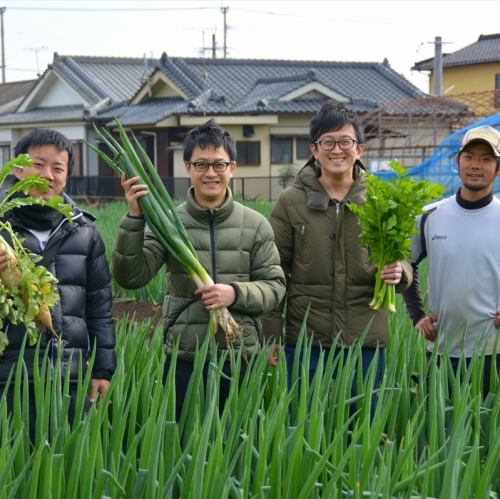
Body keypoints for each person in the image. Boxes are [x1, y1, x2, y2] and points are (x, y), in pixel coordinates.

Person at [112, 119, 286, 419]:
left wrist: (234, 293)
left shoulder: (256, 224)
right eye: (201, 164)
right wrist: (134, 219)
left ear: (232, 167)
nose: (210, 173)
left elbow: (275, 287)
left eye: (219, 165)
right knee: (182, 444)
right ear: (187, 167)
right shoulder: (165, 221)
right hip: (184, 355)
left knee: (237, 446)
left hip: (240, 354)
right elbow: (131, 277)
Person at [265, 102, 412, 401]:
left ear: (359, 149)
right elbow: (273, 271)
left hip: (366, 335)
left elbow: (403, 257)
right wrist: (271, 334)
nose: (336, 150)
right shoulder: (290, 202)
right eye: (328, 142)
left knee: (364, 430)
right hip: (306, 339)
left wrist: (402, 271)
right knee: (304, 424)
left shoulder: (381, 199)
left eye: (345, 142)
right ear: (314, 149)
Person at [0, 129, 116, 434]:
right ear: (17, 169)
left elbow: (100, 307)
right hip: (10, 375)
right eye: (38, 165)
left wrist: (103, 368)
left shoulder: (85, 232)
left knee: (65, 471)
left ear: (67, 175)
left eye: (58, 168)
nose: (47, 175)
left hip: (70, 375)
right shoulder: (1, 228)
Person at [403, 124, 500, 397]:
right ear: (457, 161)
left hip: (495, 349)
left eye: (486, 158)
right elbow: (405, 263)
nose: (475, 165)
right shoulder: (429, 215)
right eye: (469, 157)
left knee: (489, 432)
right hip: (443, 347)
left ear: (498, 168)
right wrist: (417, 315)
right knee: (442, 430)